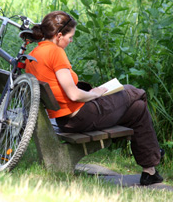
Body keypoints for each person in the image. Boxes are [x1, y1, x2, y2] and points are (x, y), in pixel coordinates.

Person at [25, 11, 163, 186]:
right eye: (70, 37)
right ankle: (153, 150)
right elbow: (74, 94)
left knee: (138, 108)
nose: (71, 41)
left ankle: (150, 172)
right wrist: (95, 93)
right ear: (59, 35)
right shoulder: (55, 52)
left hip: (64, 120)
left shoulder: (34, 53)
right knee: (135, 92)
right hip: (81, 116)